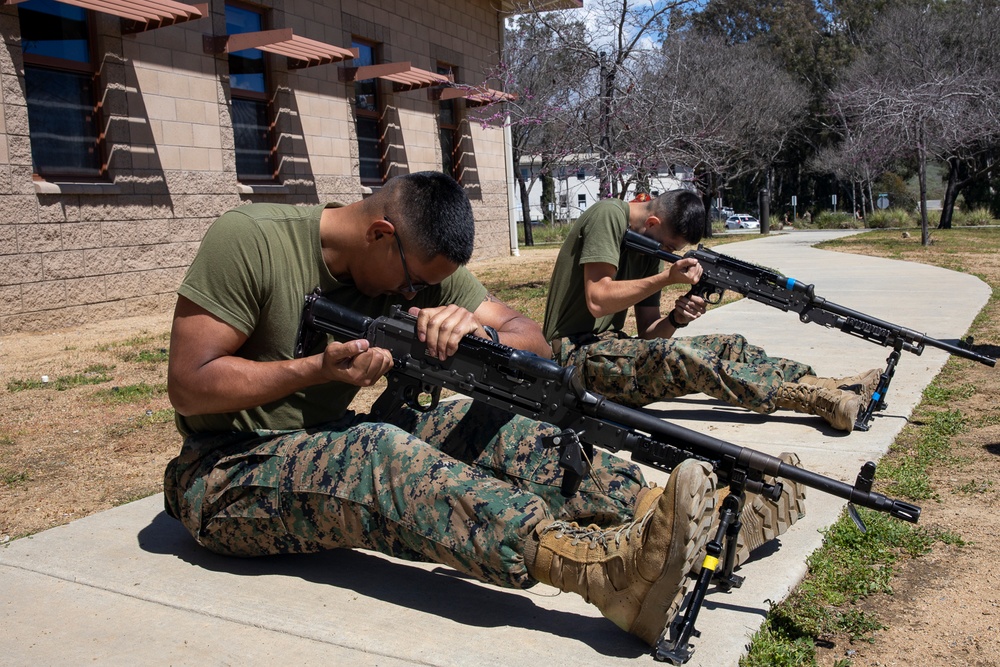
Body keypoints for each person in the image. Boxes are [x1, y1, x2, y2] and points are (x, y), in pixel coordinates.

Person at [162, 171, 730, 650]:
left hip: (327, 434)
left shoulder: (421, 265)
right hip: (221, 470)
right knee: (375, 454)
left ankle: (666, 514)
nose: (416, 298)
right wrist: (314, 370)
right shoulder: (251, 240)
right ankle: (604, 574)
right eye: (413, 285)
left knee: (491, 420)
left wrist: (481, 329)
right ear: (382, 234)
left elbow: (532, 338)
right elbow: (189, 384)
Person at [542, 190, 882, 433]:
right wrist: (666, 276)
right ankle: (814, 400)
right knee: (681, 357)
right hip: (571, 358)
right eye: (669, 247)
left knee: (728, 344)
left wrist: (675, 318)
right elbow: (598, 299)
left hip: (608, 348)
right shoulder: (608, 214)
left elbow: (648, 332)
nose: (669, 254)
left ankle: (828, 384)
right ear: (654, 221)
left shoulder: (648, 247)